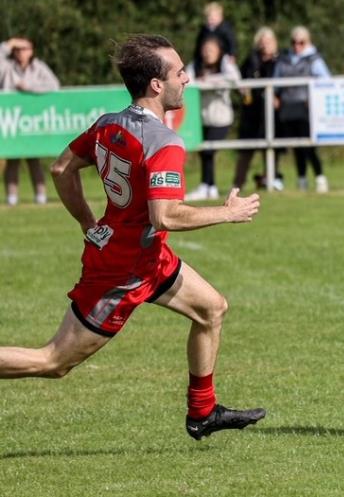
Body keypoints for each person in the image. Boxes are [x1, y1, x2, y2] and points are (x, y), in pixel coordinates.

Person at [0, 34, 266, 440]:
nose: (187, 79)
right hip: (121, 273)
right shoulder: (164, 143)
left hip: (146, 258)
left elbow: (61, 169)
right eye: (179, 72)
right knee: (54, 361)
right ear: (157, 85)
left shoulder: (110, 124)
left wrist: (89, 224)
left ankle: (202, 413)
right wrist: (227, 213)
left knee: (212, 309)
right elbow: (165, 216)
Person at [0, 37, 60, 206]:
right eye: (17, 49)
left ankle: (40, 196)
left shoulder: (38, 67)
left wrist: (29, 87)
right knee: (13, 159)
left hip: (31, 120)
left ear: (31, 50)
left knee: (34, 159)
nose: (21, 52)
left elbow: (54, 85)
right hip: (11, 120)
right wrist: (9, 43)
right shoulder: (6, 67)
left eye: (24, 48)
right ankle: (12, 198)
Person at [273, 26, 330, 193]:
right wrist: (276, 97)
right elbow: (276, 81)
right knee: (296, 145)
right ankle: (302, 178)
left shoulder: (314, 59)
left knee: (309, 144)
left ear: (308, 42)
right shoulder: (284, 60)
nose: (297, 46)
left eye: (301, 42)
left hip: (307, 107)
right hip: (288, 106)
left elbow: (326, 80)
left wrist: (313, 97)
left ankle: (320, 177)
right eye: (294, 42)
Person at [185, 35, 241, 201]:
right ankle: (209, 187)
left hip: (221, 117)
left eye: (211, 50)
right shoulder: (195, 65)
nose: (207, 53)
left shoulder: (225, 63)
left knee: (208, 151)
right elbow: (187, 82)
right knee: (204, 152)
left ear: (219, 51)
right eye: (205, 49)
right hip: (202, 117)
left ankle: (207, 186)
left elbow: (235, 79)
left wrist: (209, 80)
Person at [234, 27, 285, 192]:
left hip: (272, 112)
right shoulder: (251, 60)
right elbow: (239, 79)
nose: (265, 45)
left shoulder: (281, 61)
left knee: (271, 148)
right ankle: (237, 185)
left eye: (268, 41)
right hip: (252, 111)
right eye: (262, 42)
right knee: (246, 150)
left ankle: (270, 180)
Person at [193, 1, 237, 68]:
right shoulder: (204, 30)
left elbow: (232, 42)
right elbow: (199, 45)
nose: (210, 20)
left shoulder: (225, 28)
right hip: (206, 57)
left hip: (223, 56)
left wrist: (232, 54)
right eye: (208, 18)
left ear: (220, 17)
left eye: (213, 17)